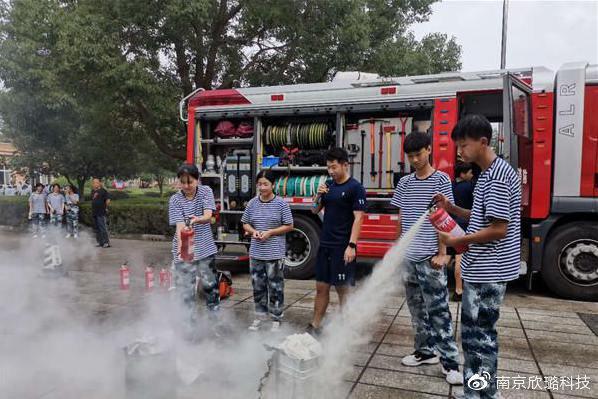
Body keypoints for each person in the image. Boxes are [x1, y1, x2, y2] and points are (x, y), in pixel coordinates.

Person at [435, 114, 521, 399]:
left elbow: (498, 229)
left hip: (488, 272)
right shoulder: (491, 173)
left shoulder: (495, 177)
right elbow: (483, 218)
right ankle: (477, 391)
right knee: (476, 337)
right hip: (484, 269)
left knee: (480, 339)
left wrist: (459, 240)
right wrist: (453, 208)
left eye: (463, 145)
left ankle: (483, 395)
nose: (459, 152)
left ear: (483, 142)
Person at [390, 131, 462, 386]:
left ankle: (450, 363)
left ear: (429, 150)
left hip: (430, 257)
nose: (414, 160)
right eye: (410, 156)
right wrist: (396, 250)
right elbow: (401, 217)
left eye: (418, 154)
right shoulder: (405, 183)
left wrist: (443, 254)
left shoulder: (441, 180)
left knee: (439, 310)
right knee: (416, 309)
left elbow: (443, 219)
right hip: (408, 257)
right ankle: (425, 352)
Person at [306, 147, 366, 336]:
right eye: (328, 168)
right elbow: (314, 210)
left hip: (342, 246)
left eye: (334, 167)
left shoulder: (355, 188)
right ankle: (315, 325)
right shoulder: (328, 185)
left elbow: (359, 218)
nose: (331, 171)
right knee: (321, 287)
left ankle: (346, 327)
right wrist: (318, 194)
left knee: (343, 289)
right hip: (325, 245)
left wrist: (352, 246)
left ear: (345, 165)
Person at [242, 170, 294, 332]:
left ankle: (276, 317)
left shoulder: (281, 204)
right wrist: (253, 231)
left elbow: (289, 225)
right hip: (256, 253)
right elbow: (245, 223)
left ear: (273, 185)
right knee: (258, 286)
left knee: (276, 286)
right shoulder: (252, 203)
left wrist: (270, 232)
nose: (262, 187)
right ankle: (260, 316)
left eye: (265, 184)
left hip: (274, 253)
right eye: (259, 184)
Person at [168, 164, 220, 315]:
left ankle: (214, 320)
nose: (186, 185)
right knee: (185, 290)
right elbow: (179, 226)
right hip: (185, 249)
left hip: (204, 247)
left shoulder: (205, 192)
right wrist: (180, 250)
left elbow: (208, 215)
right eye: (182, 182)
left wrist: (197, 219)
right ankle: (188, 324)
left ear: (197, 180)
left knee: (210, 286)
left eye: (190, 182)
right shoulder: (175, 200)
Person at [451, 161, 475, 302]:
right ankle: (459, 290)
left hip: (452, 225)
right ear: (463, 174)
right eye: (470, 172)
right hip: (465, 225)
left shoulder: (451, 185)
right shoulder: (470, 187)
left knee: (448, 256)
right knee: (460, 257)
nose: (472, 175)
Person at [90, 178, 111, 248]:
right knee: (97, 228)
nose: (95, 184)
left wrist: (106, 207)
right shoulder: (92, 191)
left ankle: (106, 242)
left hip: (101, 212)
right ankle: (100, 242)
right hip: (94, 212)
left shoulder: (103, 191)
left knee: (102, 227)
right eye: (94, 183)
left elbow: (108, 200)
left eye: (96, 182)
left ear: (99, 183)